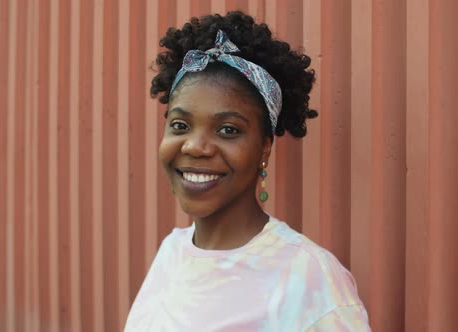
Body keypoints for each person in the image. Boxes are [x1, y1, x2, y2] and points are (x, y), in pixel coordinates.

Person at [124, 11, 371, 331]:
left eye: (227, 130)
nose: (195, 147)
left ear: (264, 148)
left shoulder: (310, 281)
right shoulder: (172, 253)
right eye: (180, 125)